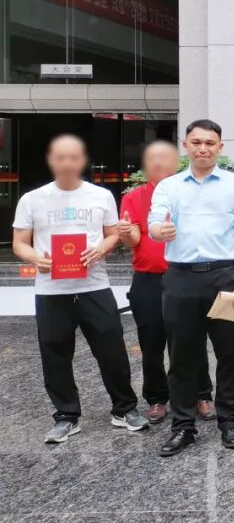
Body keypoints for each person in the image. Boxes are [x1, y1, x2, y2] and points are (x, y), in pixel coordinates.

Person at [13, 134, 149, 444]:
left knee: (112, 350)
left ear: (82, 161)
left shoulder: (100, 196)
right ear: (51, 161)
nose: (67, 163)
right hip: (51, 290)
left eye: (73, 157)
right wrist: (36, 258)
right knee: (55, 354)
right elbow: (20, 242)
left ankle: (124, 409)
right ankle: (66, 416)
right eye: (61, 157)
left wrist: (102, 249)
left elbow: (113, 234)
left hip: (94, 286)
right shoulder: (32, 199)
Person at [149, 119, 234, 456]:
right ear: (185, 145)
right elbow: (154, 222)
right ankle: (183, 426)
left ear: (220, 148)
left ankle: (230, 421)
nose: (203, 149)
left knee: (229, 354)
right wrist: (159, 231)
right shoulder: (169, 187)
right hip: (180, 278)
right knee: (181, 356)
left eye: (210, 143)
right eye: (196, 142)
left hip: (224, 278)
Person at [119, 140, 213, 424]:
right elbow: (134, 238)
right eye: (152, 159)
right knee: (151, 342)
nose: (159, 163)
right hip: (148, 279)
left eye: (164, 158)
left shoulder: (188, 193)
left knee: (192, 339)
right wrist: (126, 232)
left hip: (185, 276)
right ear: (144, 166)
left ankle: (201, 394)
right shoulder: (133, 197)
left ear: (176, 163)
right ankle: (157, 398)